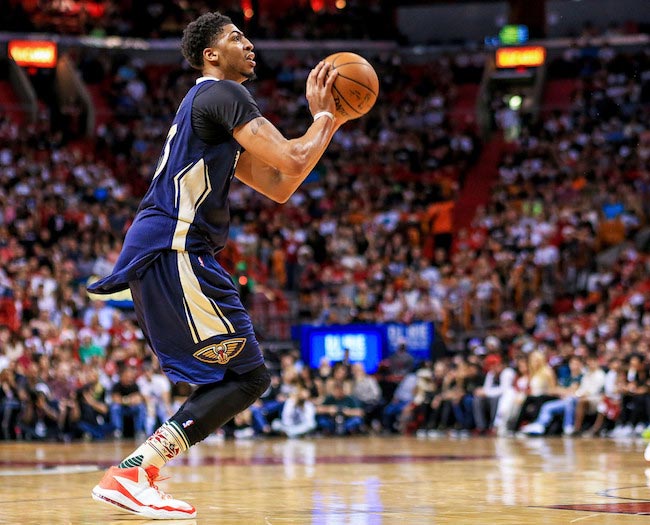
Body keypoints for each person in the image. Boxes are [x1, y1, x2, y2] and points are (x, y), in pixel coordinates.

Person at [89, 11, 345, 519]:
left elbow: (280, 186)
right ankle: (135, 473)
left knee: (241, 378)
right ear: (211, 54)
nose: (248, 44)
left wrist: (330, 122)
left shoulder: (210, 109)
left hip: (172, 250)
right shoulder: (224, 94)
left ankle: (135, 472)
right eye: (236, 37)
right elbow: (294, 159)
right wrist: (323, 116)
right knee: (246, 379)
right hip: (175, 247)